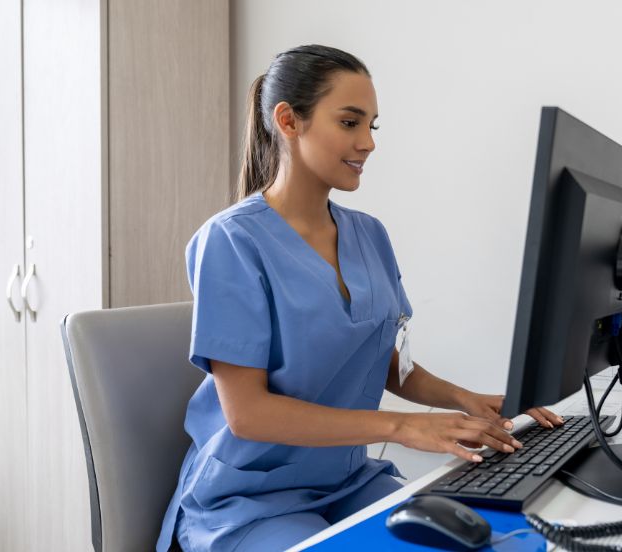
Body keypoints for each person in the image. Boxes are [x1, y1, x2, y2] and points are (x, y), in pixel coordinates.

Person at [156, 44, 563, 552]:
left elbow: (376, 358)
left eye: (373, 125)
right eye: (350, 122)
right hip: (250, 499)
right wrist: (403, 426)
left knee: (500, 543)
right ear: (289, 121)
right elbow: (248, 414)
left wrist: (466, 400)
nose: (368, 142)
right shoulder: (232, 242)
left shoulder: (369, 235)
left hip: (346, 480)